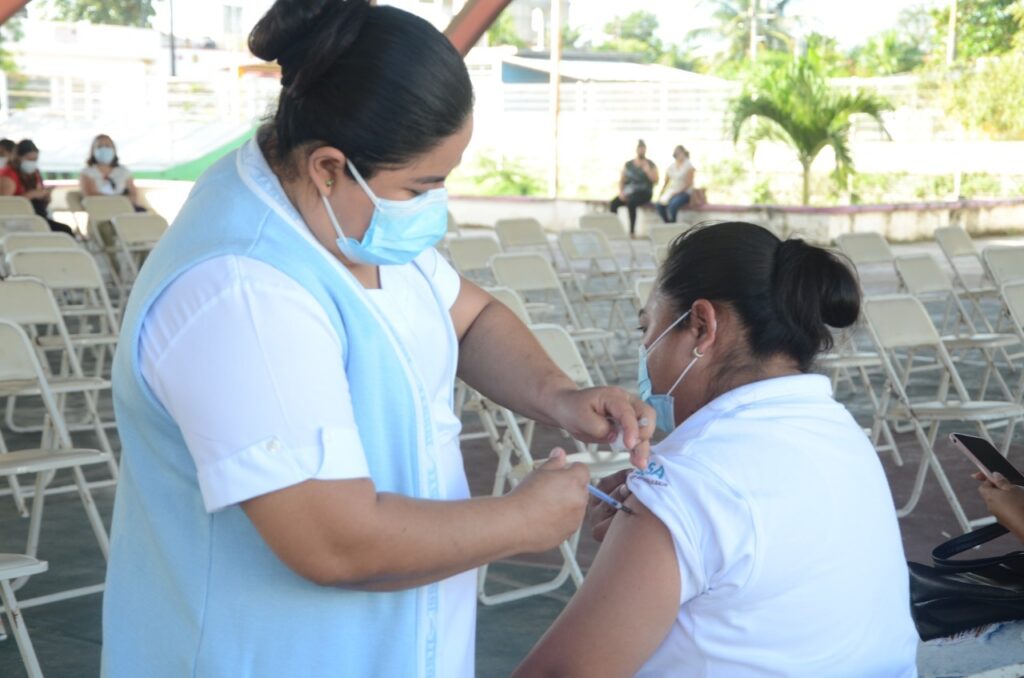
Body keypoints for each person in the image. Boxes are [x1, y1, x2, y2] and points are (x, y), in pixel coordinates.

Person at [101, 2, 654, 677]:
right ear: (329, 166)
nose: (432, 206)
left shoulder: (349, 220)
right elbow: (335, 544)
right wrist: (522, 521)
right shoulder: (242, 293)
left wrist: (561, 397)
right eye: (422, 186)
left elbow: (469, 317)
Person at [516, 222, 919, 677]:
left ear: (702, 326)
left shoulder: (691, 480)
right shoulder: (836, 429)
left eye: (647, 328)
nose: (645, 349)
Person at [0, 139, 75, 235]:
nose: (32, 163)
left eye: (35, 160)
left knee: (64, 231)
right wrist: (30, 195)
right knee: (64, 231)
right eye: (29, 159)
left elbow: (42, 203)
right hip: (17, 221)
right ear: (18, 158)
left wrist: (46, 196)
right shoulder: (8, 174)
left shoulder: (34, 173)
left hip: (37, 218)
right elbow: (5, 206)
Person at [79, 134, 146, 211]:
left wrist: (120, 202)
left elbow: (133, 195)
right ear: (93, 151)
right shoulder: (87, 172)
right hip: (101, 211)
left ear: (114, 149)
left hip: (124, 210)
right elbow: (90, 197)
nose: (104, 149)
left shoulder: (123, 171)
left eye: (107, 146)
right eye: (99, 146)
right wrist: (118, 200)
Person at [609, 139, 657, 236]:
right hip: (629, 192)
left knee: (632, 203)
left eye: (643, 149)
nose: (641, 151)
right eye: (640, 149)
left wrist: (647, 171)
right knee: (614, 203)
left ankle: (632, 232)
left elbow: (655, 180)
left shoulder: (650, 164)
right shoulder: (628, 164)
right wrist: (621, 193)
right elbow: (622, 180)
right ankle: (614, 230)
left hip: (644, 192)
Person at [656, 145, 695, 223]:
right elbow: (666, 182)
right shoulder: (672, 166)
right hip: (672, 191)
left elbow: (689, 183)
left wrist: (678, 192)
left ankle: (673, 223)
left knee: (673, 205)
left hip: (684, 192)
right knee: (659, 204)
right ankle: (668, 223)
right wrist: (661, 193)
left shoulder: (688, 165)